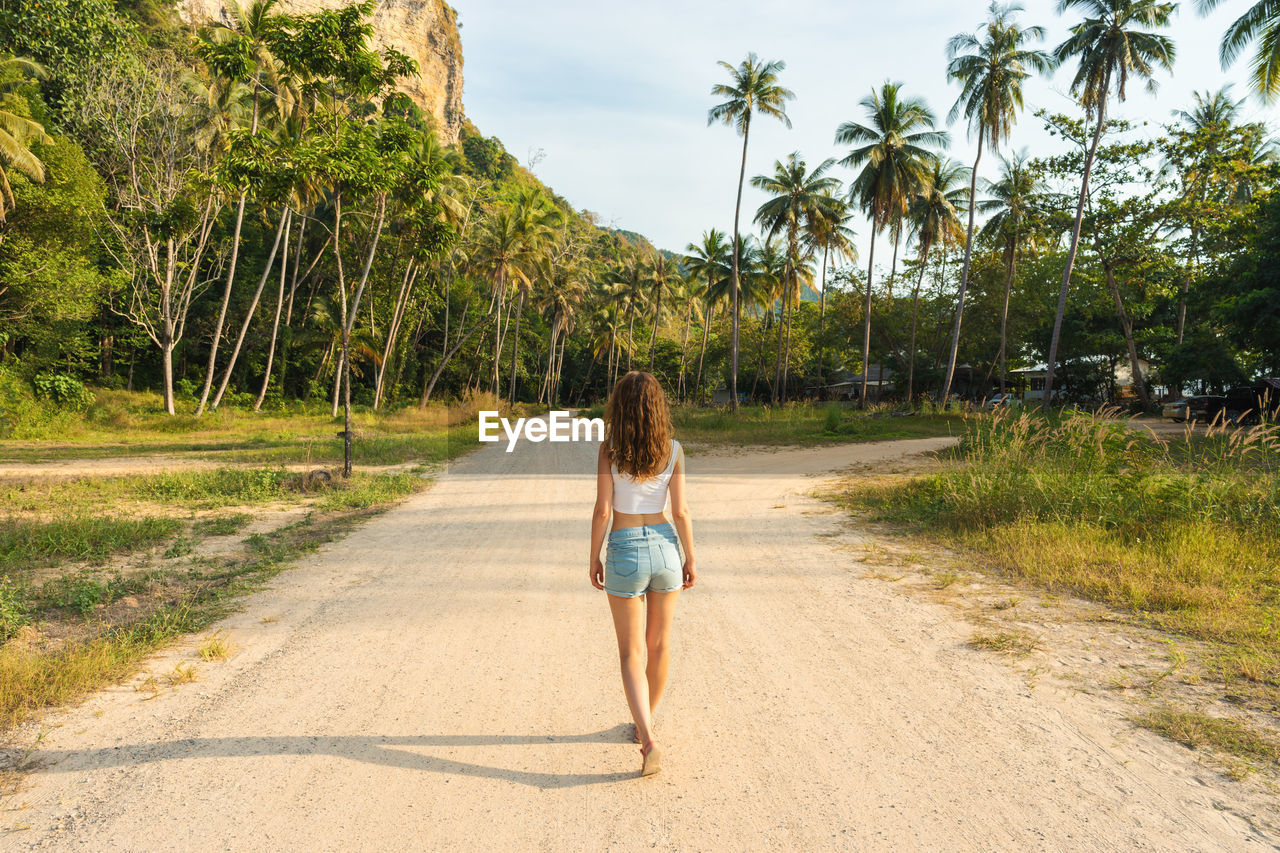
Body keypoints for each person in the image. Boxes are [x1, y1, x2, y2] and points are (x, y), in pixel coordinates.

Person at [589, 371, 696, 777]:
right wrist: (690, 558)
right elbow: (682, 511)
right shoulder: (673, 450)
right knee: (660, 645)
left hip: (625, 548)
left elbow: (602, 510)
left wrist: (594, 557)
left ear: (620, 406)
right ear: (657, 406)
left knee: (631, 651)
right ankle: (643, 723)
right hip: (667, 547)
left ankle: (648, 736)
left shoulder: (609, 450)